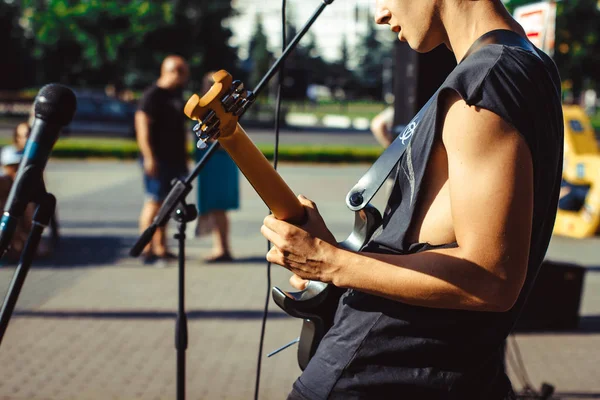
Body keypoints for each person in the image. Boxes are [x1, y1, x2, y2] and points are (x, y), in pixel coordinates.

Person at [260, 1, 564, 398]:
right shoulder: (525, 65)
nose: (380, 14)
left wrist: (332, 263)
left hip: (379, 373)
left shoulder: (485, 83)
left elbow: (491, 280)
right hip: (445, 374)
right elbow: (436, 242)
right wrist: (335, 255)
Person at [135, 55, 190, 265]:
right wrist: (149, 157)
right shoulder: (153, 96)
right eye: (183, 73)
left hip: (174, 160)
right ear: (172, 71)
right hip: (158, 160)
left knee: (167, 205)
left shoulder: (175, 95)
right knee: (153, 202)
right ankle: (146, 248)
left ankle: (161, 247)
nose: (185, 78)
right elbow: (142, 127)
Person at [194, 72, 240, 263]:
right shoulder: (223, 106)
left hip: (217, 162)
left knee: (217, 207)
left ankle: (222, 248)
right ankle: (220, 246)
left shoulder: (220, 108)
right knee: (216, 207)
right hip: (214, 162)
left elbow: (222, 137)